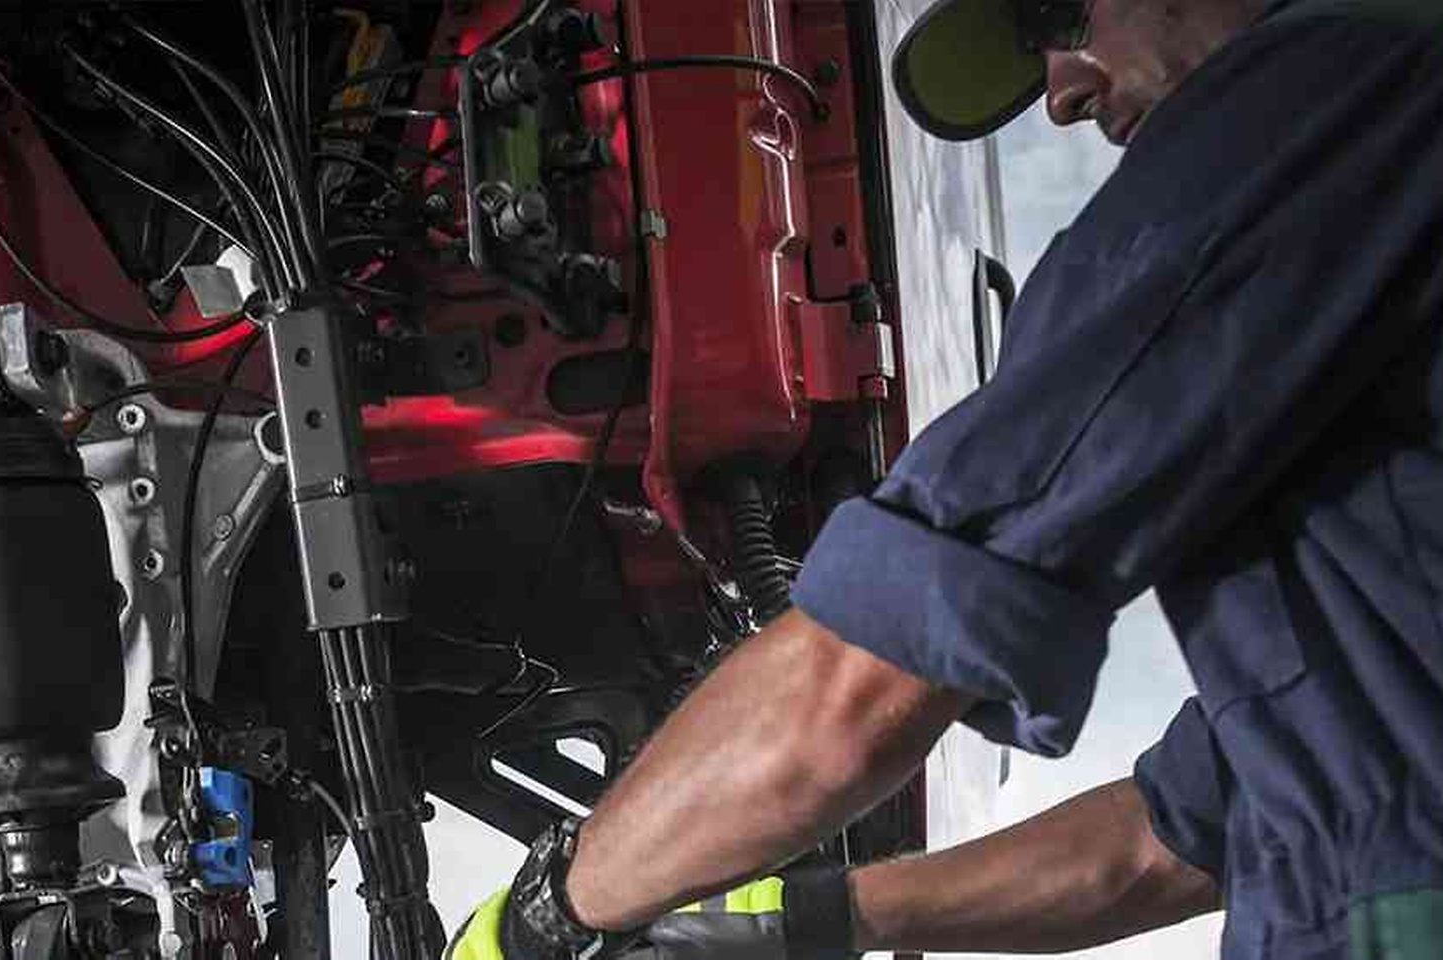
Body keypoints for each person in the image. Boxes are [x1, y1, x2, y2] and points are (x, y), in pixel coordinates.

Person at [448, 0, 1443, 956]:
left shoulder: (1313, 108)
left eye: (1058, 15)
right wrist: (810, 918)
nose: (1059, 95)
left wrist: (543, 921)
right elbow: (1159, 846)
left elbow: (857, 685)